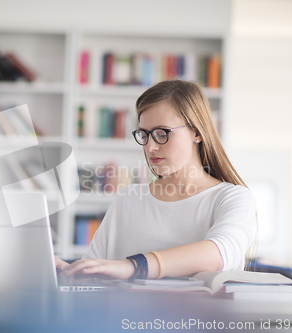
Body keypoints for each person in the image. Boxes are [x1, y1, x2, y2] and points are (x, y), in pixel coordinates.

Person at [57, 80, 257, 281]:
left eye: (162, 133)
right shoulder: (129, 198)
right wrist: (66, 272)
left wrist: (134, 267)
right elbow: (95, 274)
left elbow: (218, 254)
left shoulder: (232, 198)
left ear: (197, 132)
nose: (150, 147)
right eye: (144, 135)